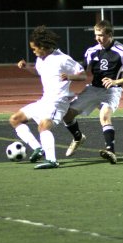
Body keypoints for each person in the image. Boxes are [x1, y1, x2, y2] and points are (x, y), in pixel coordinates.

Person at [9, 25, 86, 169]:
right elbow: (40, 73)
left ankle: (52, 160)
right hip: (45, 101)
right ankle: (38, 148)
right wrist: (27, 67)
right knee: (15, 119)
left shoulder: (63, 59)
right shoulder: (41, 59)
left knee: (43, 126)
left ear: (43, 46)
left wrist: (69, 76)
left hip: (59, 102)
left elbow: (83, 75)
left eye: (34, 49)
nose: (33, 52)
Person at [63, 19, 123, 164]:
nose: (98, 38)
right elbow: (82, 73)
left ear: (110, 34)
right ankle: (78, 137)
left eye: (101, 35)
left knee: (104, 116)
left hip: (112, 91)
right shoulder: (92, 51)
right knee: (67, 115)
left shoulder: (122, 52)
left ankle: (111, 151)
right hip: (93, 89)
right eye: (96, 35)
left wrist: (116, 81)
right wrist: (68, 76)